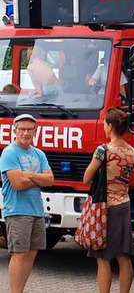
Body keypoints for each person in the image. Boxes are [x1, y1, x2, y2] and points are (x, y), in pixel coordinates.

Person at [82, 107, 134, 293]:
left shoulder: (103, 150)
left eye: (105, 123)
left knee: (103, 257)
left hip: (107, 206)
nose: (104, 127)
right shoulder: (131, 151)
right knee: (124, 256)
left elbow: (87, 177)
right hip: (124, 203)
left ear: (111, 126)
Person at [0, 113, 54, 293]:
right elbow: (18, 183)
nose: (25, 133)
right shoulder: (9, 153)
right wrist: (39, 178)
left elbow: (51, 180)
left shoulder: (39, 153)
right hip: (17, 210)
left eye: (30, 130)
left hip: (37, 210)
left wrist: (29, 174)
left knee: (32, 253)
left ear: (35, 131)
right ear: (14, 130)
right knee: (19, 254)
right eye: (22, 129)